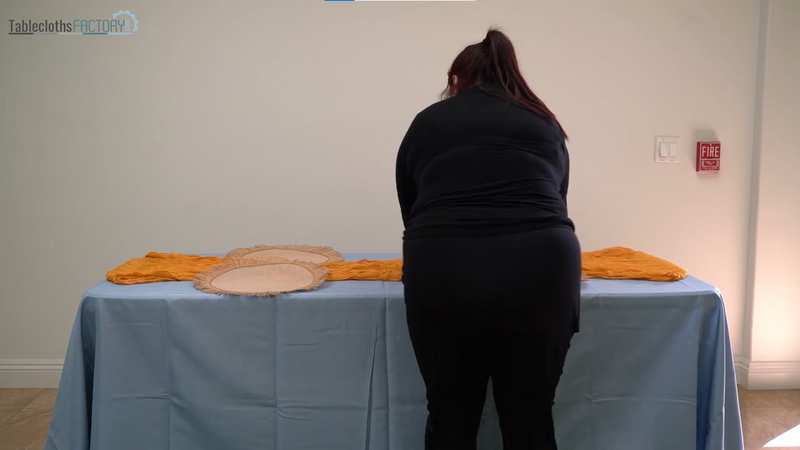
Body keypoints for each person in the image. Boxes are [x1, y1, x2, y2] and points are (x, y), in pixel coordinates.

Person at [395, 28, 581, 450]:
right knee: (530, 415)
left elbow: (411, 207)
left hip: (444, 264)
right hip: (542, 266)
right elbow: (557, 202)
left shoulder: (428, 121)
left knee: (450, 415)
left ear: (457, 81)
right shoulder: (543, 121)